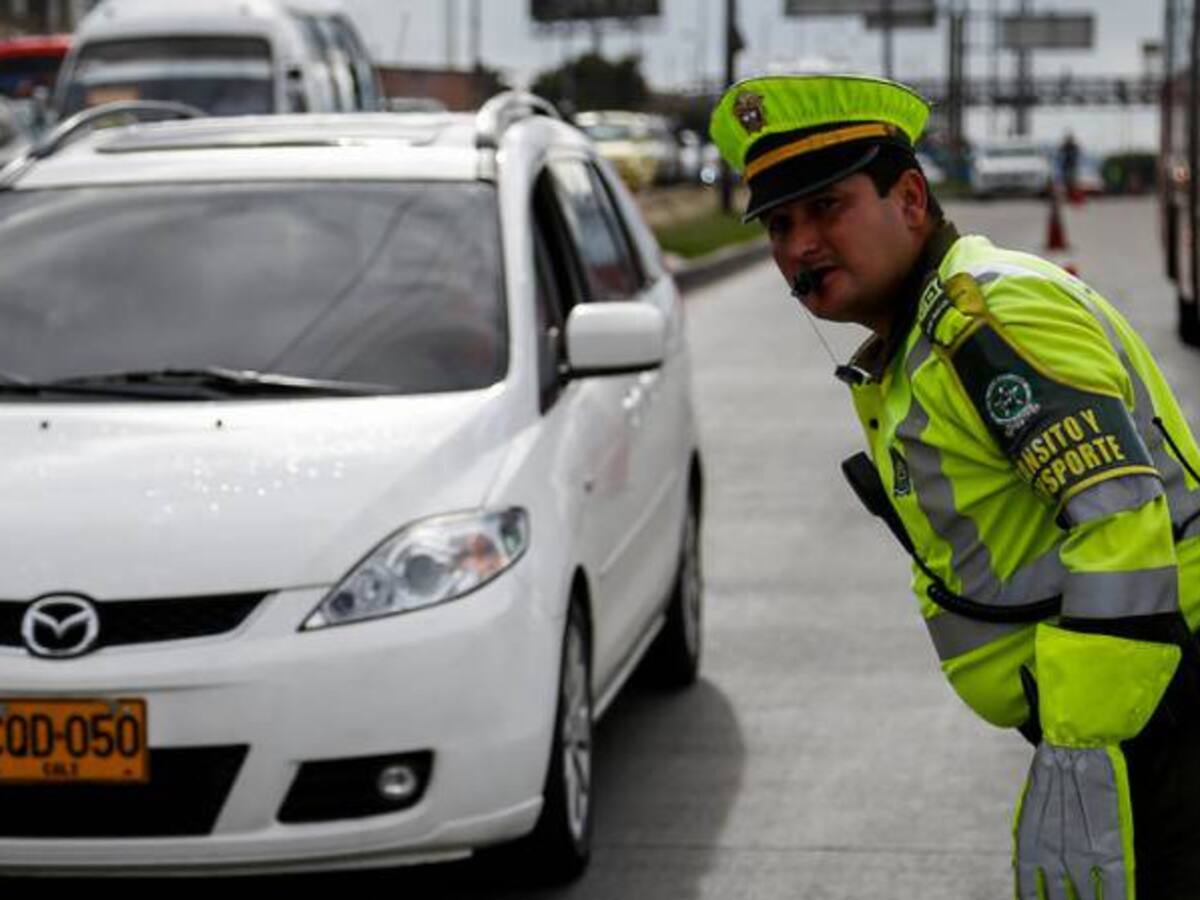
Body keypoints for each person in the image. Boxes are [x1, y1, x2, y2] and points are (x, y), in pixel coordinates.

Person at [709, 73, 1200, 899]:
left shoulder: (988, 318)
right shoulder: (922, 337)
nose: (799, 246)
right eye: (780, 224)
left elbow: (1120, 525)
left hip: (1162, 708)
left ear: (908, 200)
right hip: (1137, 706)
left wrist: (1083, 747)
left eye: (829, 207)